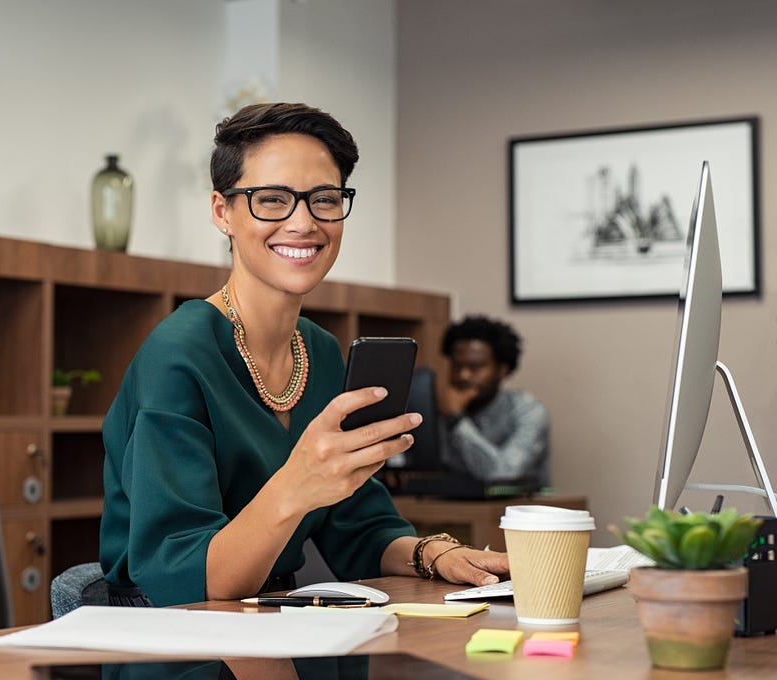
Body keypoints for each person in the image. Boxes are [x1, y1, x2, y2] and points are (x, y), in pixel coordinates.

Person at [99, 102, 508, 607]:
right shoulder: (176, 356)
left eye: (324, 199)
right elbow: (188, 580)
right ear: (222, 212)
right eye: (272, 200)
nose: (303, 222)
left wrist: (434, 554)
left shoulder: (319, 351)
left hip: (276, 624)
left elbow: (357, 525)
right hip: (179, 643)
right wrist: (296, 485)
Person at [437, 314, 550, 487]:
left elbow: (503, 474)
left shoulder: (527, 409)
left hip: (519, 510)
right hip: (449, 509)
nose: (463, 375)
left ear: (502, 370)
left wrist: (457, 421)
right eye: (457, 366)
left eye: (475, 367)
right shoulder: (439, 408)